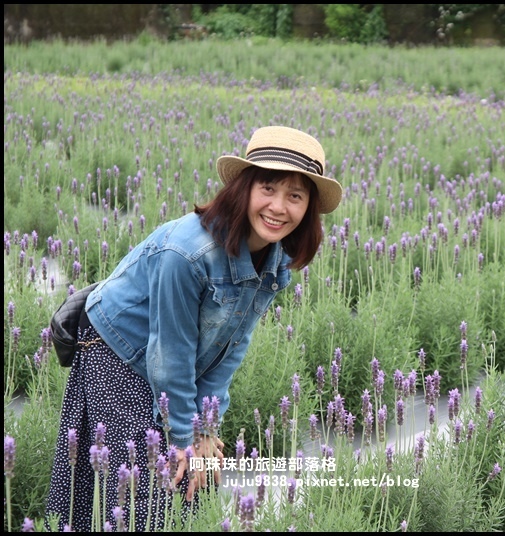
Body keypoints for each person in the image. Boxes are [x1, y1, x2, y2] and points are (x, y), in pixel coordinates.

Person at [45, 126, 343, 531]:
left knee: (194, 479)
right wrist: (184, 436)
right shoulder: (188, 252)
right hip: (117, 350)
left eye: (295, 196)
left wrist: (206, 427)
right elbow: (171, 351)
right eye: (268, 188)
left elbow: (231, 349)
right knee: (133, 486)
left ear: (308, 209)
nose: (278, 207)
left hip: (170, 361)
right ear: (244, 188)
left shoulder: (273, 263)